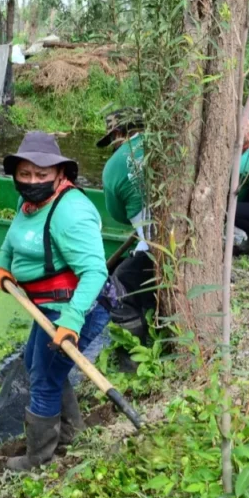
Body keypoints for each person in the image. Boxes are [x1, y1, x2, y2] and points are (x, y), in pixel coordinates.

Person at [0, 132, 110, 471]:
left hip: (78, 306)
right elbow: (11, 241)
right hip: (44, 305)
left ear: (60, 174)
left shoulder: (70, 211)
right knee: (35, 361)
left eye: (41, 175)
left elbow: (94, 272)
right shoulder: (28, 203)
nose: (32, 182)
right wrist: (1, 264)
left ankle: (39, 457)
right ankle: (72, 432)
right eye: (25, 174)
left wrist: (71, 321)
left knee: (43, 377)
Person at [97, 109, 156, 341]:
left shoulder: (114, 165)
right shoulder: (169, 143)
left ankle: (137, 347)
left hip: (157, 246)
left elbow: (118, 214)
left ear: (118, 133)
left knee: (119, 283)